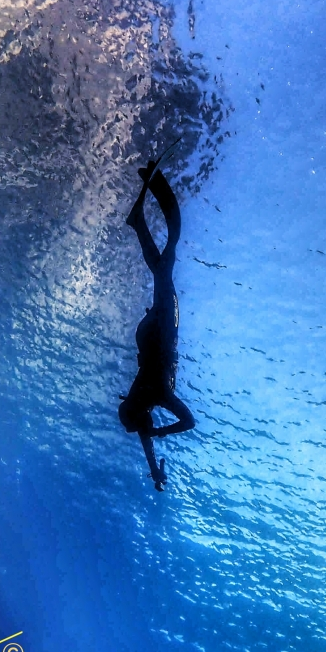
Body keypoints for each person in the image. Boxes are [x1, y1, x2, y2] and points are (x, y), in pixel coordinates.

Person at [119, 148, 195, 490]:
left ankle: (139, 222)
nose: (144, 432)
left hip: (161, 333)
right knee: (162, 272)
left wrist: (163, 433)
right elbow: (146, 441)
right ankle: (138, 222)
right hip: (150, 335)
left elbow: (188, 422)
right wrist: (155, 472)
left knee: (168, 262)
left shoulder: (158, 396)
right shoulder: (141, 404)